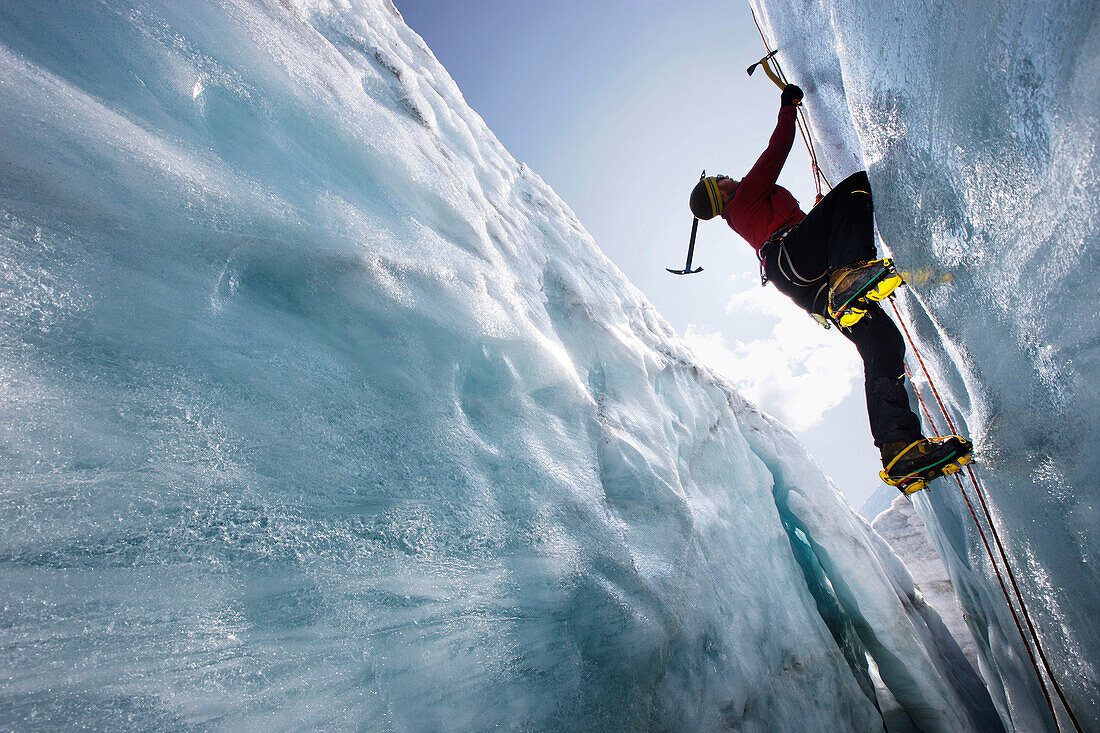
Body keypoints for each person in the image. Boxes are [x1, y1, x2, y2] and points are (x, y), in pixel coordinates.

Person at [689, 83, 971, 494]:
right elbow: (776, 152)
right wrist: (788, 107)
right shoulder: (744, 196)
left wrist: (817, 219)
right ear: (721, 191)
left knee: (882, 344)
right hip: (802, 264)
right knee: (856, 186)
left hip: (806, 285)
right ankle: (849, 275)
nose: (725, 175)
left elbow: (794, 225)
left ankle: (899, 446)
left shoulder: (744, 216)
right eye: (720, 178)